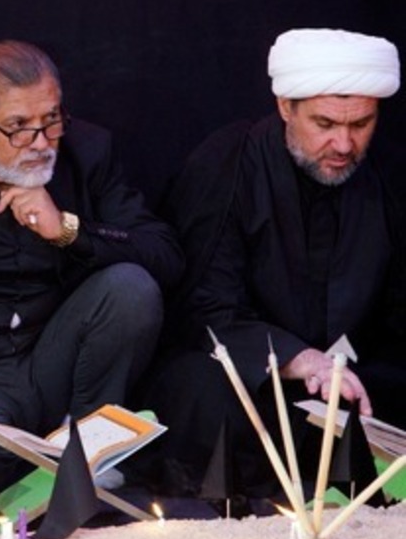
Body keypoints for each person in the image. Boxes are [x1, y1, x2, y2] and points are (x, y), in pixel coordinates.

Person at [0, 39, 183, 501]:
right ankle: (41, 460)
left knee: (130, 287)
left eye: (51, 121)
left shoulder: (88, 151)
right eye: (19, 127)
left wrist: (67, 230)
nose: (41, 144)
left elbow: (165, 256)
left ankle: (88, 441)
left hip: (56, 361)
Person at [144, 27, 406, 495]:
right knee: (203, 392)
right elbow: (204, 307)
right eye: (325, 124)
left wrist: (338, 367)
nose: (344, 145)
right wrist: (296, 358)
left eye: (361, 125)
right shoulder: (229, 163)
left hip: (346, 376)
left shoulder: (385, 173)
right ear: (286, 107)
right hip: (250, 371)